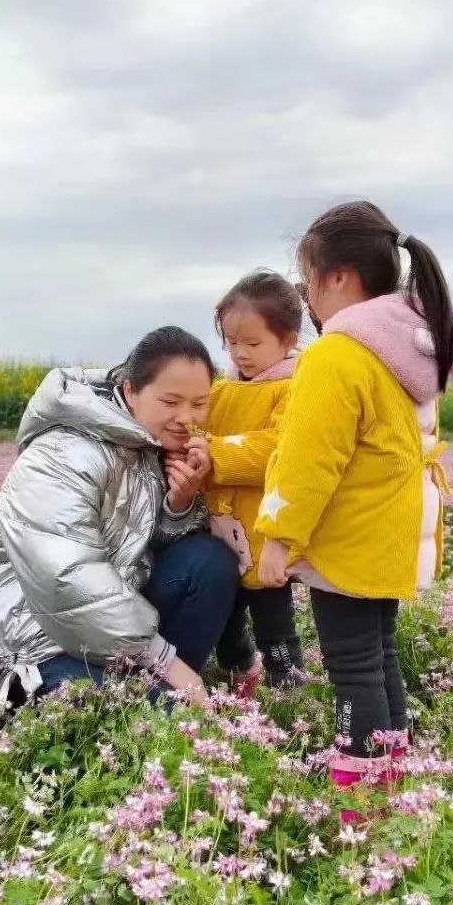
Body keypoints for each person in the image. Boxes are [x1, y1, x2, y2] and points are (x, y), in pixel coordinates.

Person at [255, 200, 453, 796]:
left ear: (337, 276)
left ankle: (359, 796)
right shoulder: (407, 346)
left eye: (306, 278)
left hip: (347, 540)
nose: (307, 296)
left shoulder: (337, 354)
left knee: (351, 669)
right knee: (377, 657)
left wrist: (280, 537)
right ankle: (394, 773)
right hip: (390, 537)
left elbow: (308, 461)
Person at [0, 326, 239, 712]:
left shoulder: (148, 443)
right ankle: (162, 689)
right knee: (156, 717)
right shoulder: (64, 452)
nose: (186, 418)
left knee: (209, 560)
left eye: (199, 404)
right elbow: (68, 578)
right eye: (170, 401)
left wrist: (178, 504)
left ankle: (156, 688)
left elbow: (141, 547)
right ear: (130, 391)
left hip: (110, 624)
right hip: (40, 639)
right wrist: (168, 663)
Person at [189, 270, 306, 695]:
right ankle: (239, 671)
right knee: (225, 616)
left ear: (288, 338)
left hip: (264, 535)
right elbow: (191, 429)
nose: (241, 354)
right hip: (221, 530)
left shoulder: (296, 389)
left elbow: (277, 450)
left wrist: (212, 452)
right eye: (232, 343)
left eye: (253, 344)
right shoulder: (220, 392)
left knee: (273, 620)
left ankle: (289, 686)